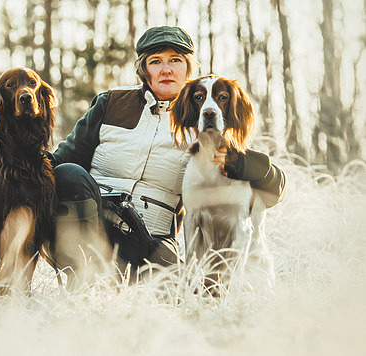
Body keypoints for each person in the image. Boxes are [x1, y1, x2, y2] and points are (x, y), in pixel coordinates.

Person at [47, 26, 286, 282]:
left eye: (175, 60)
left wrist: (257, 168)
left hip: (150, 241)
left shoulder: (203, 119)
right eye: (156, 61)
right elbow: (60, 160)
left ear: (188, 67)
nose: (166, 69)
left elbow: (269, 194)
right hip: (91, 224)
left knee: (176, 299)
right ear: (144, 69)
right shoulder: (110, 104)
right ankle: (83, 278)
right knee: (68, 174)